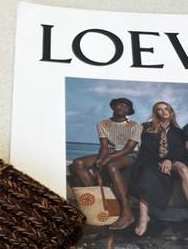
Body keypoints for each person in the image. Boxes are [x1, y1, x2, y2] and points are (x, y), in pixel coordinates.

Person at [72, 98, 142, 230]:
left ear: (129, 111)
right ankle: (99, 204)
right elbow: (104, 147)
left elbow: (129, 149)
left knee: (111, 166)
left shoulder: (136, 125)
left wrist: (107, 159)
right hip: (109, 153)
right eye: (119, 105)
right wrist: (99, 162)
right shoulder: (102, 123)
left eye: (126, 106)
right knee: (78, 163)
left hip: (130, 155)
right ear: (113, 106)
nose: (122, 108)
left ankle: (127, 213)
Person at [130, 101, 188, 236]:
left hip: (172, 160)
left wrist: (169, 160)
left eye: (166, 109)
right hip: (151, 160)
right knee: (147, 173)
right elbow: (146, 149)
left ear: (171, 112)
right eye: (159, 109)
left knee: (184, 170)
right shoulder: (146, 127)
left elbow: (180, 151)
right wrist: (159, 162)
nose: (164, 111)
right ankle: (144, 217)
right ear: (155, 113)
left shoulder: (179, 132)